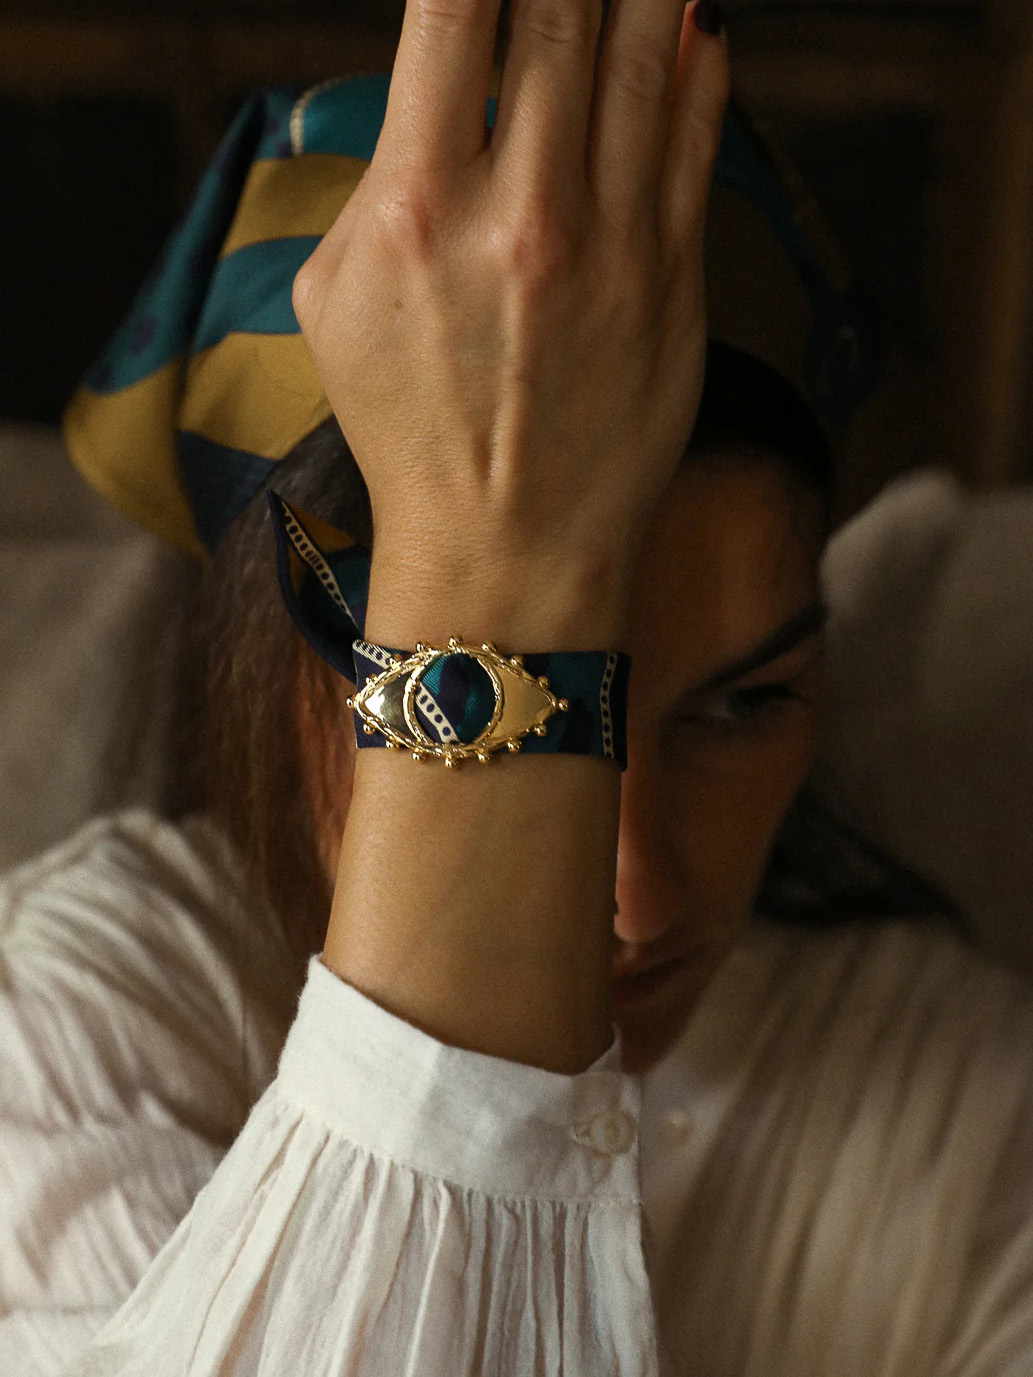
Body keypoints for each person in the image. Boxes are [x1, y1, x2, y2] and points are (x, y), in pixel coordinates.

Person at [3, 3, 1033, 1374]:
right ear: (265, 669)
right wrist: (501, 582)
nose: (638, 891)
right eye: (436, 686)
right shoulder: (86, 1037)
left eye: (741, 706)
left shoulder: (959, 1115)